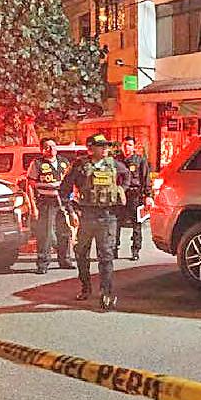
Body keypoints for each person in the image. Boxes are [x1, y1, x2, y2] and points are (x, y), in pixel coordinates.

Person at [60, 133, 129, 311]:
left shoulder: (114, 165)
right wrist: (71, 211)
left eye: (107, 145)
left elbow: (127, 177)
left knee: (106, 256)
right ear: (90, 148)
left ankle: (106, 293)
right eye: (101, 145)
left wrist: (121, 190)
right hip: (86, 215)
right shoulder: (80, 166)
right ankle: (86, 287)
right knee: (81, 253)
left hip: (107, 216)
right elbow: (64, 189)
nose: (105, 148)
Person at [26, 137, 74, 274]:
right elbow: (30, 185)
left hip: (63, 201)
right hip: (46, 201)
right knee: (45, 234)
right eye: (47, 147)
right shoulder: (37, 163)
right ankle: (43, 263)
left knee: (64, 231)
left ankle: (65, 260)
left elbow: (71, 182)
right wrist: (33, 207)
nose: (51, 149)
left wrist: (72, 202)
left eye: (53, 146)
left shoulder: (64, 162)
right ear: (42, 150)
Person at [113, 136, 152, 261]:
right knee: (116, 223)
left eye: (129, 145)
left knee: (137, 224)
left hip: (135, 195)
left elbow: (146, 179)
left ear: (134, 147)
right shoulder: (116, 160)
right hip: (119, 195)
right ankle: (114, 249)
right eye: (124, 144)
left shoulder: (140, 160)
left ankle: (135, 250)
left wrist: (148, 195)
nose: (127, 147)